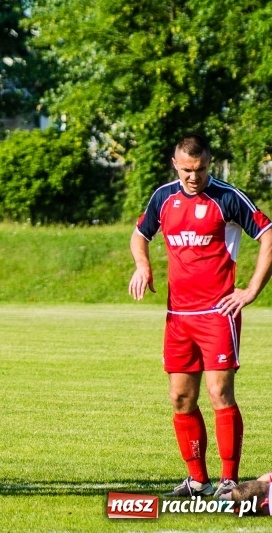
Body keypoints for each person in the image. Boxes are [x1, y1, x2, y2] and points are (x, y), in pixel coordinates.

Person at [129, 134, 272, 499]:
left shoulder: (228, 197)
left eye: (202, 169)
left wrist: (252, 289)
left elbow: (269, 235)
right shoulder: (163, 197)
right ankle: (197, 480)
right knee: (180, 398)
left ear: (210, 165)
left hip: (217, 313)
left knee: (218, 391)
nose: (194, 177)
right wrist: (143, 266)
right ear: (175, 164)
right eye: (188, 170)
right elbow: (139, 234)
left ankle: (228, 481)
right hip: (178, 316)